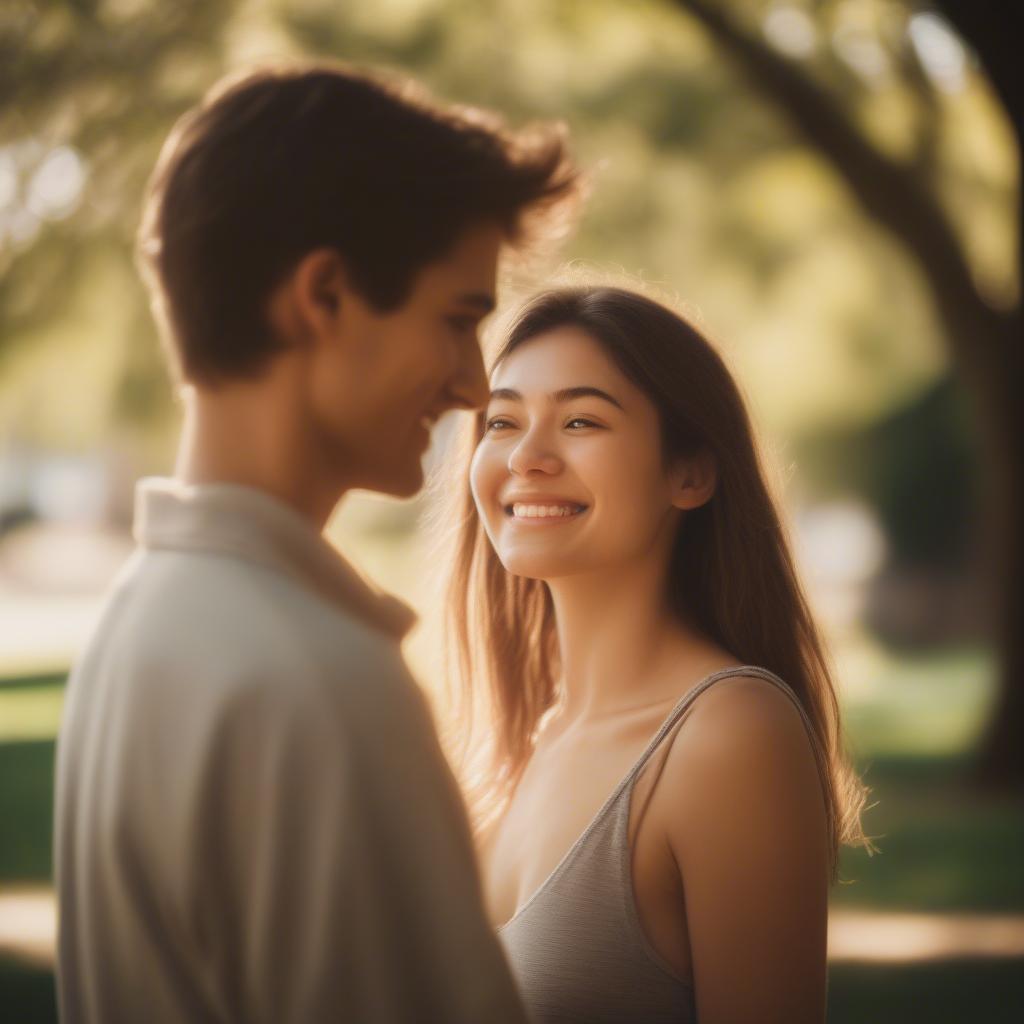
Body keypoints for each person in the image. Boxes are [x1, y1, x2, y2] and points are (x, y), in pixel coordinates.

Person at [54, 61, 578, 1023]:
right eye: (457, 319)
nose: (472, 384)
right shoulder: (321, 681)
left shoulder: (136, 622)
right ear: (325, 296)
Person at [444, 285, 870, 1023]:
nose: (528, 457)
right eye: (503, 421)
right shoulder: (514, 745)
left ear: (691, 473)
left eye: (580, 421)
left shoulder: (728, 734)